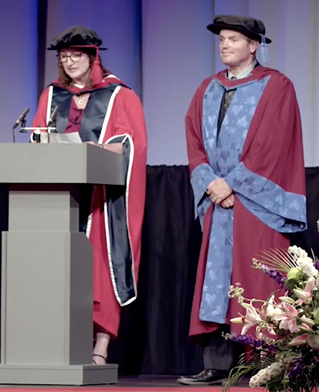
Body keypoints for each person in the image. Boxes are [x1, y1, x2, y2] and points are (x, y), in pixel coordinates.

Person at [178, 15, 307, 385]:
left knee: (255, 278)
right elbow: (193, 141)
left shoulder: (276, 86)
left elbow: (274, 145)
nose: (225, 45)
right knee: (217, 280)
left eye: (233, 39)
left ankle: (262, 364)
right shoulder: (208, 88)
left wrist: (232, 184)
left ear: (253, 45)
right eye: (222, 40)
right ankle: (216, 365)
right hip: (218, 202)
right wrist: (209, 183)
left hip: (256, 202)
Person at [32, 25, 147, 365]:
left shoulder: (119, 95)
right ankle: (60, 340)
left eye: (76, 55)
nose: (69, 62)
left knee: (100, 267)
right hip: (60, 196)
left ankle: (100, 345)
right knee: (60, 268)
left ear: (93, 57)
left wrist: (101, 150)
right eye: (64, 57)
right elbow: (38, 136)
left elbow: (133, 144)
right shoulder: (52, 95)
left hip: (100, 199)